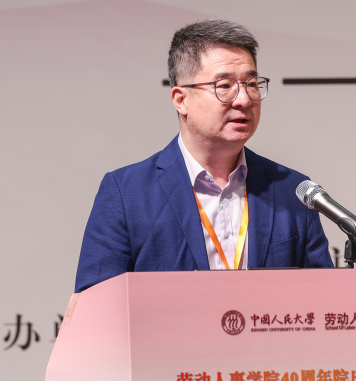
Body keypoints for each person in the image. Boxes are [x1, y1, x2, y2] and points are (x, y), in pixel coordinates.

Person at [74, 19, 333, 292]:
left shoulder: (292, 190)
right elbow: (95, 304)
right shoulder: (127, 193)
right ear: (181, 100)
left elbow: (324, 296)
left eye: (251, 83)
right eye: (224, 86)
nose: (244, 100)